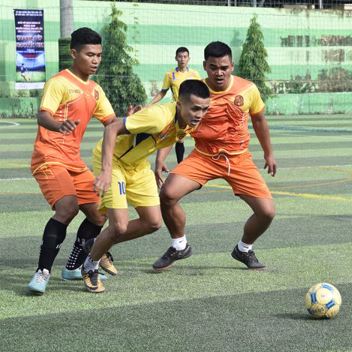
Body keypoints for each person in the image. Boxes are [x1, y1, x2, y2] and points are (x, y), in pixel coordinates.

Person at [152, 41, 276, 271]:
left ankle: (244, 249)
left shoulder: (248, 89)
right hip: (203, 157)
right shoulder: (194, 90)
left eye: (224, 67)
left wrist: (269, 153)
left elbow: (259, 120)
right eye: (213, 67)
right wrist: (160, 159)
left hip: (239, 159)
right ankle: (179, 245)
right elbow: (175, 124)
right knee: (167, 194)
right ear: (205, 66)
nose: (219, 72)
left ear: (231, 66)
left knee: (267, 212)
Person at [80, 79, 210, 292]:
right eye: (195, 108)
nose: (200, 114)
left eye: (205, 109)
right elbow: (111, 128)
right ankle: (90, 265)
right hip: (114, 161)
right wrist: (104, 171)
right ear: (179, 104)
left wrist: (159, 162)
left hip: (138, 165)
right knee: (119, 226)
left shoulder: (189, 122)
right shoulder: (158, 117)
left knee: (153, 222)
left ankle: (98, 244)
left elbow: (173, 137)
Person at [28, 27, 118, 294]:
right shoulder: (60, 82)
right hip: (49, 155)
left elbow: (111, 121)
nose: (96, 60)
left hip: (73, 161)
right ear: (74, 53)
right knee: (67, 207)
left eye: (99, 55)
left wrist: (133, 120)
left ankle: (73, 267)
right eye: (90, 54)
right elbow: (43, 115)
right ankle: (42, 272)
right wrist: (58, 125)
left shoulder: (95, 90)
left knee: (99, 212)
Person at [150, 47, 201, 164]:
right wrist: (150, 104)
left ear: (189, 58)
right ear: (176, 58)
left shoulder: (195, 74)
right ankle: (180, 165)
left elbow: (200, 91)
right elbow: (163, 92)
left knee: (200, 135)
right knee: (179, 139)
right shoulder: (170, 75)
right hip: (178, 111)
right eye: (180, 56)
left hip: (193, 110)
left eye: (185, 57)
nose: (182, 59)